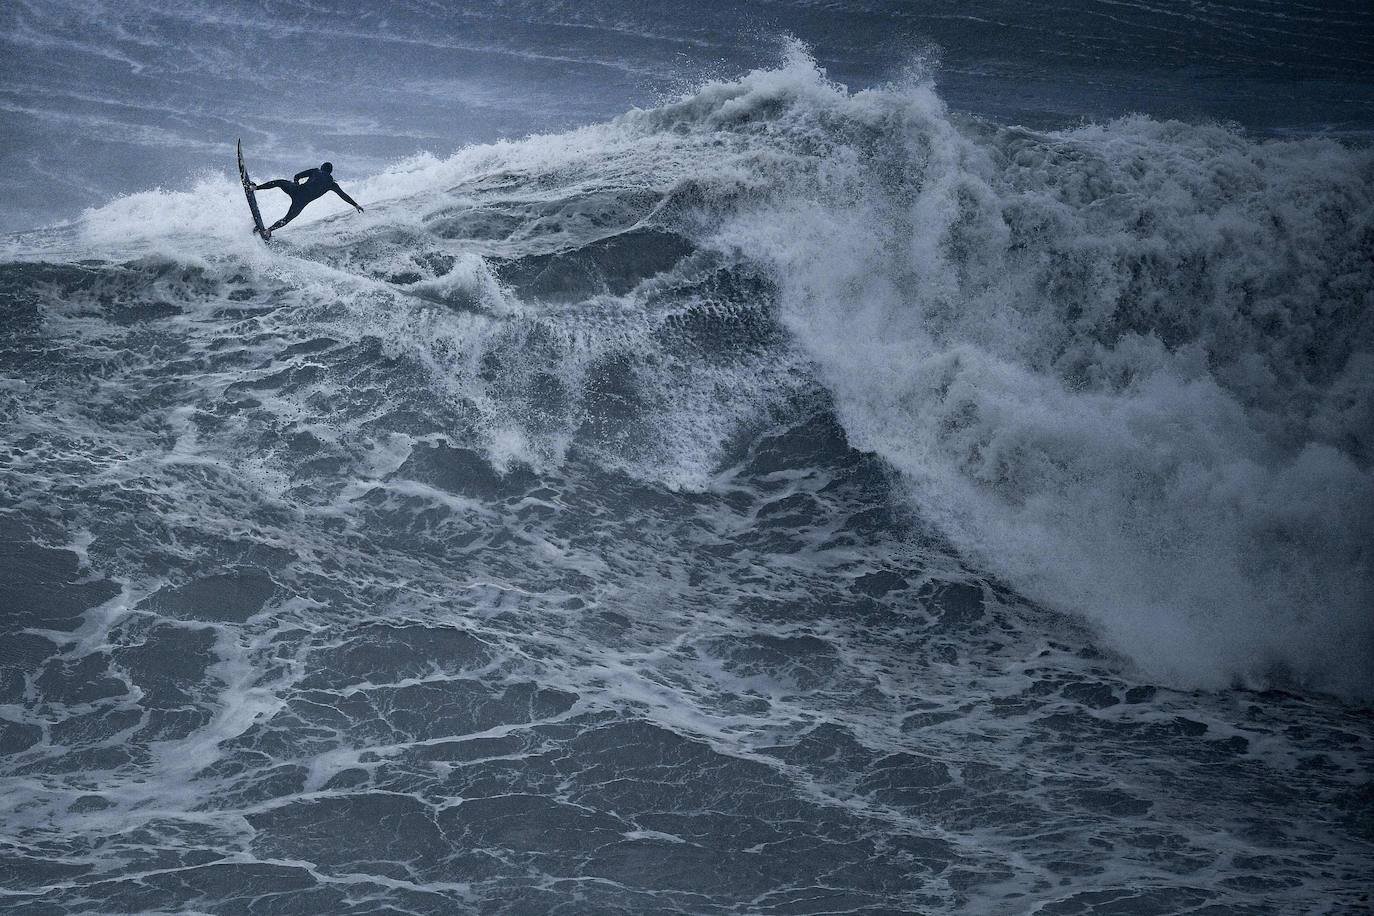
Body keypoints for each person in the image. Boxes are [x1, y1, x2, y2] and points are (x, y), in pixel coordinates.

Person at [253, 162, 363, 238]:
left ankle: (255, 188)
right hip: (301, 202)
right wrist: (356, 205)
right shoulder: (332, 184)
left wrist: (295, 184)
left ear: (322, 168)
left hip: (296, 190)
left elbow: (297, 176)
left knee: (278, 182)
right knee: (286, 219)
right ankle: (268, 231)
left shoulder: (316, 171)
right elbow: (344, 196)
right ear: (330, 172)